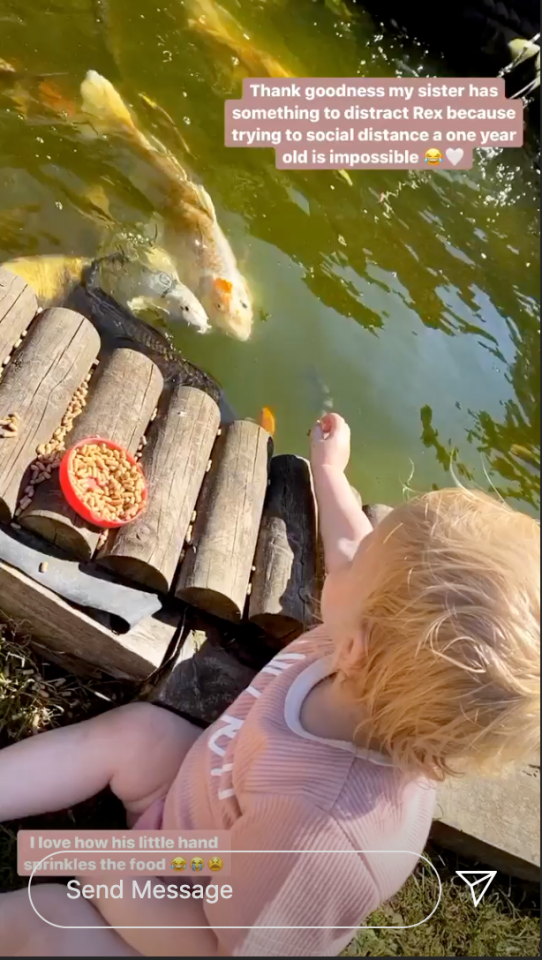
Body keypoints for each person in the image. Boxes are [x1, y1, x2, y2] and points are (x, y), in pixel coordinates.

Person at [0, 413, 539, 957]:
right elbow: (354, 544)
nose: (345, 561)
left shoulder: (322, 837)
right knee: (140, 734)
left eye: (358, 568)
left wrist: (103, 870)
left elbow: (214, 945)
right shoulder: (372, 657)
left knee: (47, 918)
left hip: (197, 919)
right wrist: (330, 472)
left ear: (358, 645)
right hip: (197, 824)